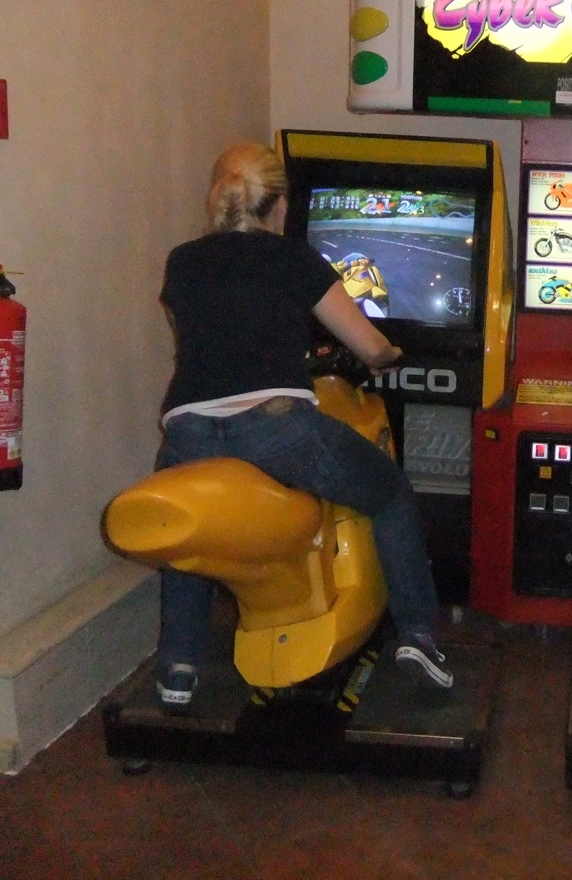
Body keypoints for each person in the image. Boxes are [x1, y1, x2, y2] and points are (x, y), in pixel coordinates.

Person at [151, 142, 452, 710]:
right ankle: (418, 635)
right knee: (389, 491)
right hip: (275, 431)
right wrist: (389, 356)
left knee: (190, 534)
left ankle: (178, 666)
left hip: (187, 430)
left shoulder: (182, 260)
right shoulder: (294, 259)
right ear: (281, 203)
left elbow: (195, 338)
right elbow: (369, 345)